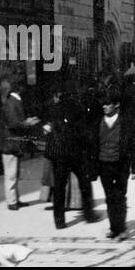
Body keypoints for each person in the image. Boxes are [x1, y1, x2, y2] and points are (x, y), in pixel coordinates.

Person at [43, 84, 97, 229]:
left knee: (59, 187)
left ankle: (59, 221)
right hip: (75, 153)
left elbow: (49, 129)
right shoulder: (78, 108)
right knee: (84, 183)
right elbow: (84, 132)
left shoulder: (53, 109)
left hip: (59, 154)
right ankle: (89, 214)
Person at [92, 91, 135, 239]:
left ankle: (121, 228)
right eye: (104, 105)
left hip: (121, 164)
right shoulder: (98, 123)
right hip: (104, 164)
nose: (105, 107)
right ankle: (114, 228)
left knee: (120, 196)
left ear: (116, 105)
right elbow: (93, 145)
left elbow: (132, 146)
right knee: (109, 197)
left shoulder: (125, 123)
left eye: (108, 104)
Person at [0, 78, 40, 211]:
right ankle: (12, 202)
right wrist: (28, 122)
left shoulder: (12, 100)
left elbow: (14, 121)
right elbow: (13, 123)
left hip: (11, 143)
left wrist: (26, 121)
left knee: (13, 173)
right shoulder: (13, 102)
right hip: (11, 143)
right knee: (11, 174)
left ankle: (15, 199)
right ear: (19, 89)